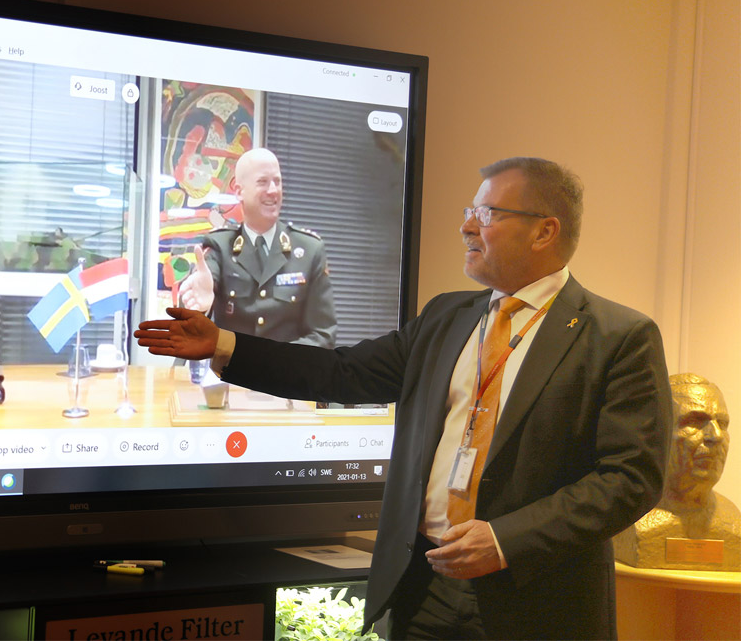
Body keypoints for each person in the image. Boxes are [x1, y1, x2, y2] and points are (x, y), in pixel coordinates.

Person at [136, 157, 672, 639]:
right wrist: (224, 343)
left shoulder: (617, 336)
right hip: (424, 590)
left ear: (544, 231)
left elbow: (629, 479)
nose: (466, 226)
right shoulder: (447, 317)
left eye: (486, 214)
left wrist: (506, 539)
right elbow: (341, 372)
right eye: (469, 211)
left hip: (535, 602)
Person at [179, 148, 335, 347]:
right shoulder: (220, 247)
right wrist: (200, 307)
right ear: (239, 191)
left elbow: (323, 335)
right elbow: (193, 303)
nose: (273, 190)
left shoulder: (309, 250)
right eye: (263, 182)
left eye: (277, 181)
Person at [614, 373, 738, 570]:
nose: (716, 436)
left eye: (722, 424)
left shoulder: (732, 522)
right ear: (656, 435)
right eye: (695, 421)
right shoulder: (629, 514)